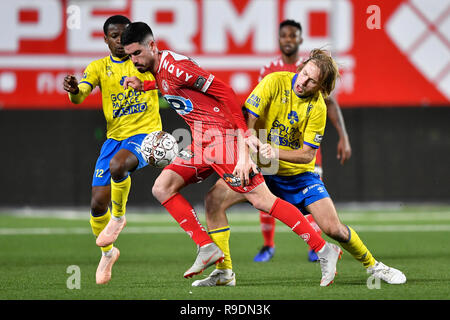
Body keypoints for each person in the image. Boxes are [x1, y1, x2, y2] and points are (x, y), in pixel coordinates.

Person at [121, 22, 343, 286]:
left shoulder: (176, 67)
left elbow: (224, 91)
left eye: (136, 53)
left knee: (263, 201)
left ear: (152, 47)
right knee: (165, 188)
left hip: (222, 138)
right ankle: (216, 260)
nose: (133, 60)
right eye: (129, 55)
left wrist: (244, 138)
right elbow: (174, 87)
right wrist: (145, 87)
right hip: (203, 141)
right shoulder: (161, 69)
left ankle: (323, 248)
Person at [192, 49, 407, 287]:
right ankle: (225, 272)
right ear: (300, 67)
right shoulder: (274, 81)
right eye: (304, 73)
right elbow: (247, 121)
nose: (303, 82)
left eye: (311, 80)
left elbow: (307, 155)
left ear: (322, 88)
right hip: (263, 168)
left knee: (333, 228)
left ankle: (374, 266)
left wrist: (274, 151)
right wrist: (245, 158)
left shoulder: (317, 108)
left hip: (299, 177)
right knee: (214, 200)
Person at [63, 15, 163, 285]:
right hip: (114, 139)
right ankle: (108, 253)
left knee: (118, 166)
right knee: (97, 204)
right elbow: (80, 94)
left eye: (124, 35)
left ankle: (119, 218)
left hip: (145, 134)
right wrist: (74, 90)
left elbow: (167, 82)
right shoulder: (98, 67)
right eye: (114, 36)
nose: (120, 40)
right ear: (105, 39)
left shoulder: (142, 60)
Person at [252, 19, 352, 263]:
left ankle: (314, 245)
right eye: (284, 36)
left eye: (293, 35)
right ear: (279, 39)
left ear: (300, 40)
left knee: (306, 197)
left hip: (300, 145)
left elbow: (330, 103)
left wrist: (343, 137)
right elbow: (259, 106)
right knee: (264, 194)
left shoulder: (314, 68)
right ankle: (268, 245)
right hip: (271, 139)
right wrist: (254, 140)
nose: (288, 40)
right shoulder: (269, 69)